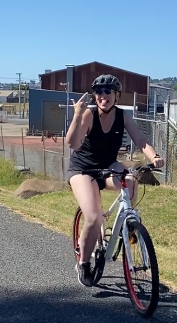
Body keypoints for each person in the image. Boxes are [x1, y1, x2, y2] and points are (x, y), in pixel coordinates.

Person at [66, 74, 165, 287]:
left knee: (131, 181)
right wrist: (77, 115)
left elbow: (141, 140)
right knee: (94, 218)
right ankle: (83, 263)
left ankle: (128, 225)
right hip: (83, 170)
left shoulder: (123, 116)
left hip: (108, 165)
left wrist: (154, 157)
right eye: (98, 92)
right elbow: (72, 143)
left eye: (108, 91)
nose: (103, 96)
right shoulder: (89, 115)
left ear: (117, 95)